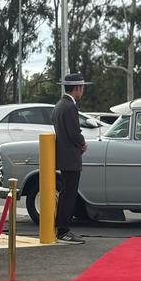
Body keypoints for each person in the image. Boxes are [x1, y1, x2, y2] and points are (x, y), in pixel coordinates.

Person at [52, 72, 90, 244]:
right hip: (71, 157)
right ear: (77, 88)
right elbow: (74, 133)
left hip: (63, 156)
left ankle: (61, 227)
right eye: (81, 87)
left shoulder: (59, 105)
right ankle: (63, 230)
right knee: (69, 194)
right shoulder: (70, 107)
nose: (82, 91)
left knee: (66, 192)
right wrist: (82, 143)